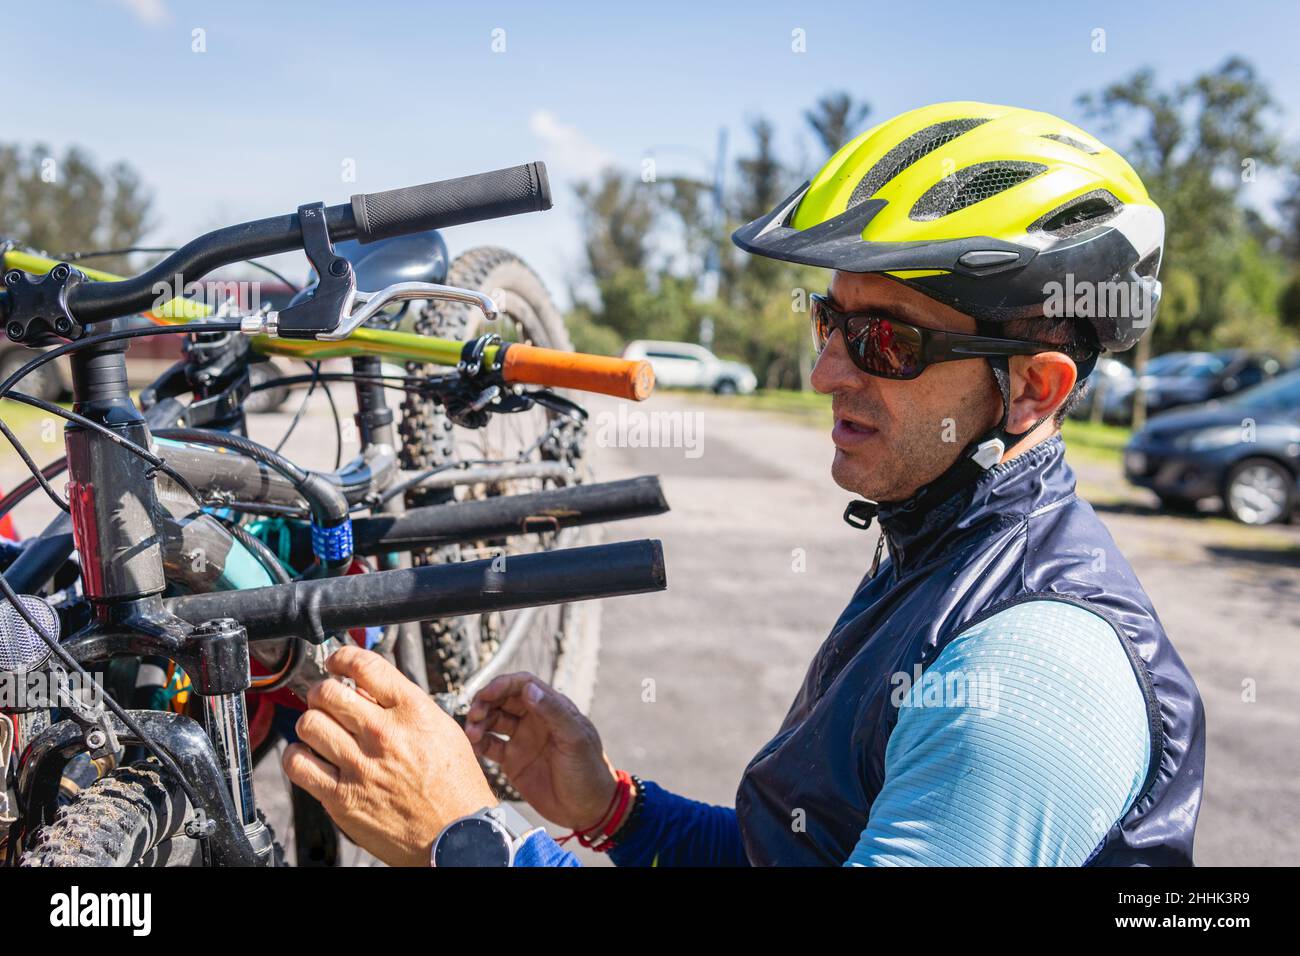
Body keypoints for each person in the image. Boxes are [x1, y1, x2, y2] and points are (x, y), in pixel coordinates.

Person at [283, 101, 1205, 867]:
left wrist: (465, 841)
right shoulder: (947, 549)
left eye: (886, 341)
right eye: (828, 321)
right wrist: (615, 811)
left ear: (1032, 390)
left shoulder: (1029, 676)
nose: (827, 374)